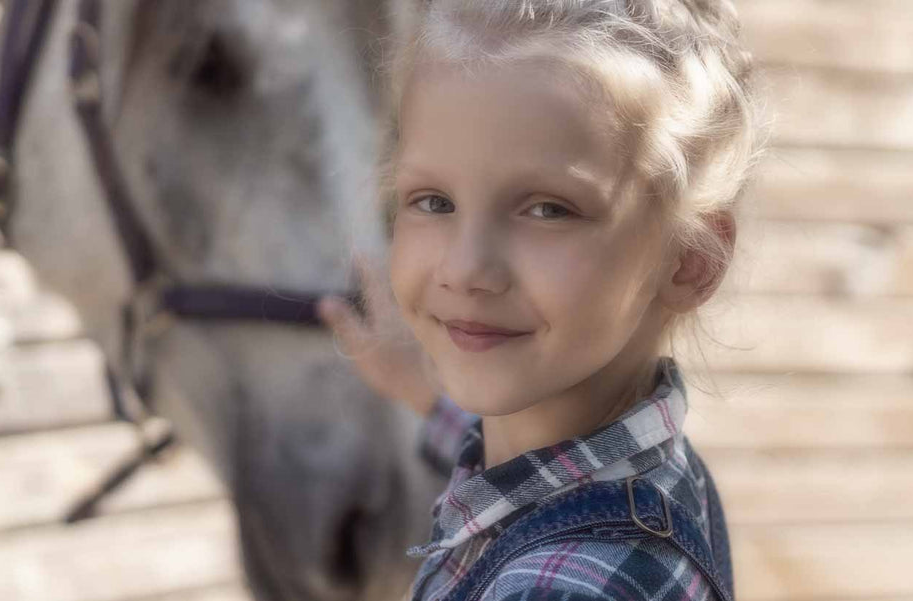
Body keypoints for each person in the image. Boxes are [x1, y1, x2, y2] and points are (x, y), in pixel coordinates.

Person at [318, 1, 763, 599]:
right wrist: (422, 391)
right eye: (434, 201)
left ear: (691, 258)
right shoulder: (659, 471)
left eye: (549, 210)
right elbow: (536, 477)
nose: (467, 269)